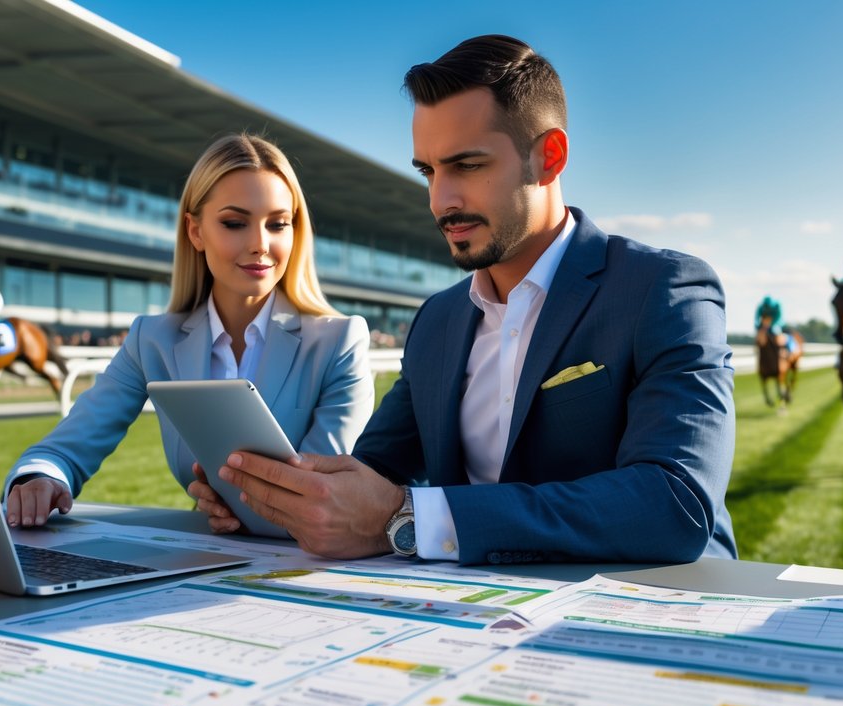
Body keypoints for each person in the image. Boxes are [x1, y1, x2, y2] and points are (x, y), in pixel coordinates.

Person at [194, 35, 737, 564]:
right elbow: (372, 477)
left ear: (548, 157)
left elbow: (674, 504)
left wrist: (409, 518)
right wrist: (273, 500)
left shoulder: (663, 290)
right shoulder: (439, 319)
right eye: (428, 171)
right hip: (473, 622)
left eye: (467, 166)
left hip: (650, 613)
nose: (440, 200)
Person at [3, 133, 375, 527]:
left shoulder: (339, 342)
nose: (260, 244)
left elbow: (320, 500)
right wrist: (37, 478)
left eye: (278, 224)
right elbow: (65, 449)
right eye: (234, 223)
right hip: (206, 564)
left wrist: (232, 506)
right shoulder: (152, 341)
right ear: (195, 231)